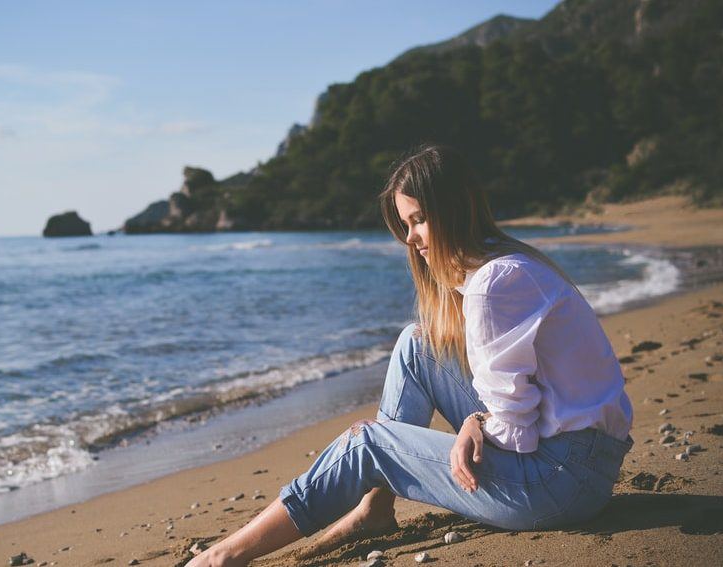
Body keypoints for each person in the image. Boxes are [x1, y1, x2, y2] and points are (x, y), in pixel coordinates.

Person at [186, 143, 634, 567]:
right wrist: (479, 423)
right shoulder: (504, 264)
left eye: (419, 220)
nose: (411, 239)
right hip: (575, 463)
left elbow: (517, 433)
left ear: (452, 210)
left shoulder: (494, 284)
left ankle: (227, 554)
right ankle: (374, 508)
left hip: (559, 482)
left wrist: (475, 424)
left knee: (368, 445)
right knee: (416, 344)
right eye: (405, 224)